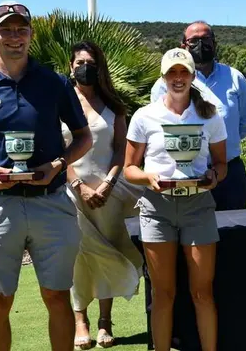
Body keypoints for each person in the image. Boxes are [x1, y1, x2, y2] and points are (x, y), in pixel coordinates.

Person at [0, 1, 92, 351]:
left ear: (31, 35)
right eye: (6, 30)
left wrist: (57, 164)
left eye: (21, 29)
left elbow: (83, 137)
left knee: (57, 295)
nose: (14, 37)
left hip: (52, 203)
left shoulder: (55, 83)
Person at [124, 48, 228, 351]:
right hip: (157, 208)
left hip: (198, 204)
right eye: (172, 73)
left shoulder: (209, 114)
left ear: (193, 76)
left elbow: (221, 164)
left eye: (184, 72)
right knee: (163, 293)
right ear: (163, 77)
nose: (178, 78)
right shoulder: (145, 116)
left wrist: (214, 178)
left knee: (202, 293)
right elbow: (130, 168)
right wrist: (148, 178)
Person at [61, 41, 144, 349]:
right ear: (70, 67)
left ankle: (105, 322)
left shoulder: (115, 106)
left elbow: (122, 149)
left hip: (109, 193)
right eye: (80, 62)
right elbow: (56, 150)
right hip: (70, 194)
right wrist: (77, 185)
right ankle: (80, 320)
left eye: (92, 63)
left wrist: (107, 183)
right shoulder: (60, 103)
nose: (86, 67)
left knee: (109, 251)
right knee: (78, 256)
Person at [151, 22, 246, 211]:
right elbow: (158, 125)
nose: (201, 44)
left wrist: (220, 145)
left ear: (214, 43)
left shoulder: (235, 77)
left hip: (228, 174)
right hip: (183, 175)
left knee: (233, 233)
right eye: (194, 40)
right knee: (191, 236)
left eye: (206, 39)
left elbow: (244, 123)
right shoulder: (164, 83)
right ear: (184, 46)